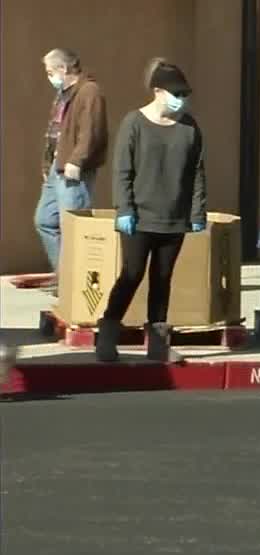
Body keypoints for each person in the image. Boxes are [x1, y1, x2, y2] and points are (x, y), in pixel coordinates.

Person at [95, 61, 206, 364]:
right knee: (132, 274)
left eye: (184, 94)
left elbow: (197, 172)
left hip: (174, 217)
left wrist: (197, 212)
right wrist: (124, 209)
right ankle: (107, 333)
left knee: (163, 277)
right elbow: (122, 171)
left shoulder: (189, 127)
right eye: (175, 93)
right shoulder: (134, 123)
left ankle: (158, 345)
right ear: (157, 91)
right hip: (140, 218)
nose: (180, 99)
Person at [34, 48, 109, 276]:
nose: (49, 77)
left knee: (72, 226)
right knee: (45, 220)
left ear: (63, 68)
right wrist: (47, 166)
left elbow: (91, 130)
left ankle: (73, 281)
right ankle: (65, 275)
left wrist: (77, 160)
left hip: (72, 169)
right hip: (56, 169)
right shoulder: (63, 94)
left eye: (50, 71)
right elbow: (54, 133)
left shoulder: (89, 91)